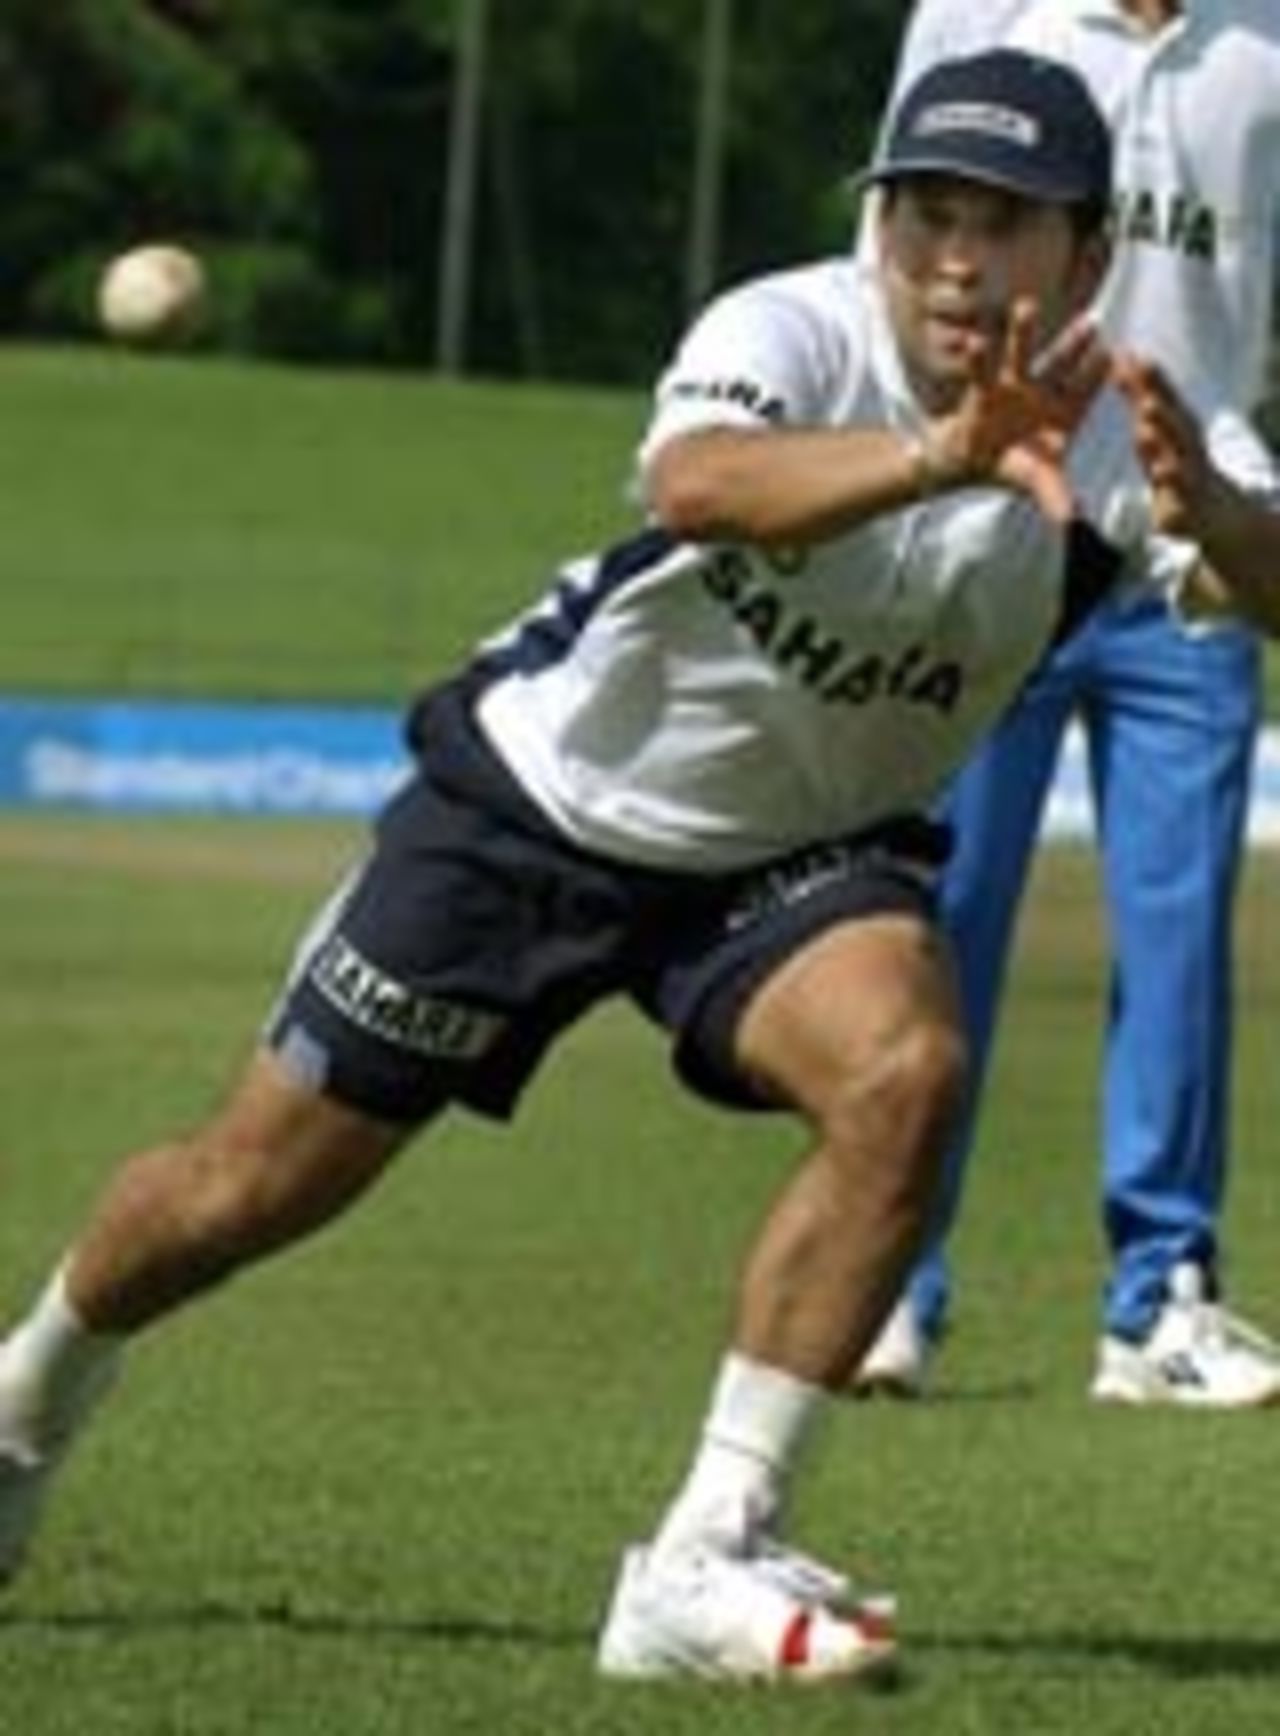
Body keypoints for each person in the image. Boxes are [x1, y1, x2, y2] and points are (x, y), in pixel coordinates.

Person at [0, 51, 1276, 1685]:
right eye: (929, 215)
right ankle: (31, 1405)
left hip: (801, 851)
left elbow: (1265, 566)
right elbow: (702, 486)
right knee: (241, 1193)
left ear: (1088, 257)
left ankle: (705, 1557)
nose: (962, 257)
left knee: (907, 1070)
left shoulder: (1137, 411)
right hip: (541, 805)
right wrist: (942, 457)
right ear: (879, 229)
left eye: (1011, 225)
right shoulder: (789, 328)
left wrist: (1225, 527)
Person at [854, 0, 1280, 1407]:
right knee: (942, 915)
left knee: (1178, 929)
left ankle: (1161, 1304)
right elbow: (894, 249)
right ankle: (889, 1285)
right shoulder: (979, 13)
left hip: (1188, 538)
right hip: (997, 524)